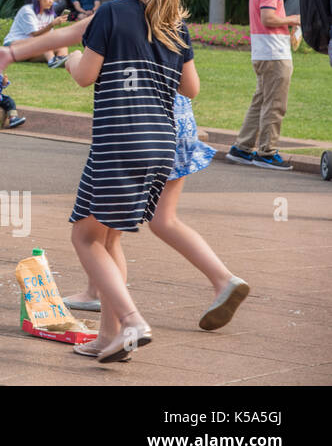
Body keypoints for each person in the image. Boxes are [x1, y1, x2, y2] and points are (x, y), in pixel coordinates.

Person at [0, 0, 198, 364]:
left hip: (119, 142)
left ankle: (133, 322)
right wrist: (16, 52)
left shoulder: (112, 13)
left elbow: (86, 74)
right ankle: (108, 336)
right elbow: (190, 87)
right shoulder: (173, 22)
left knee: (84, 236)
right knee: (108, 238)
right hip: (161, 145)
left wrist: (69, 60)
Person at [62, 93, 250, 332]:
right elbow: (192, 87)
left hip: (144, 126)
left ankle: (111, 308)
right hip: (178, 125)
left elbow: (86, 77)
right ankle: (223, 280)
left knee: (106, 230)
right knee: (162, 220)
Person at [226, 0, 300, 171]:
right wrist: (294, 19)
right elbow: (268, 18)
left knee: (260, 102)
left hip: (264, 53)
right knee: (275, 105)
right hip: (274, 55)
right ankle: (267, 152)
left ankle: (242, 148)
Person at [3, 0, 69, 67]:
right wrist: (51, 24)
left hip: (31, 48)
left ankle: (60, 61)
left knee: (62, 44)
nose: (51, 1)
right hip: (14, 45)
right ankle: (52, 61)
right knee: (43, 41)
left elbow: (48, 35)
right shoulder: (27, 11)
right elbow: (34, 34)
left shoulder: (49, 13)